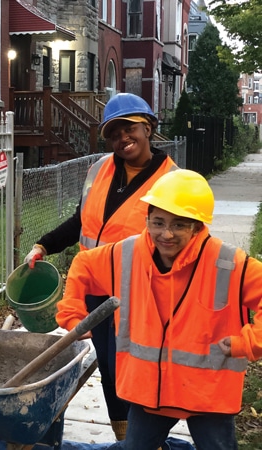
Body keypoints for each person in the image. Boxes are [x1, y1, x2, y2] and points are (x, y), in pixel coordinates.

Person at [56, 169, 262, 450]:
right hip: (148, 393)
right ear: (147, 220)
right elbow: (83, 265)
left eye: (179, 225)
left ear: (198, 226)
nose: (166, 234)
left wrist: (248, 343)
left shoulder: (227, 264)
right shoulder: (126, 255)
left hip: (207, 396)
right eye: (158, 222)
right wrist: (72, 312)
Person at [23, 92, 177, 441]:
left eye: (130, 129)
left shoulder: (172, 181)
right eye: (113, 132)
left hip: (140, 297)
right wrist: (44, 244)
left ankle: (145, 440)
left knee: (136, 370)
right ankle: (125, 438)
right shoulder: (99, 169)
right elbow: (82, 220)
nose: (122, 138)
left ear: (149, 127)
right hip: (96, 291)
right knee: (109, 368)